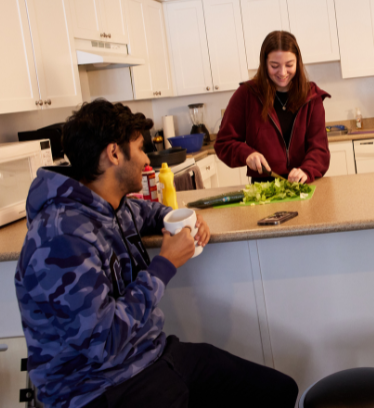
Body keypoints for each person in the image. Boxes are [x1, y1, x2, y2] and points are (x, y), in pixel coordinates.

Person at [15, 100, 298, 408]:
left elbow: (145, 211)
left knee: (279, 390)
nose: (146, 160)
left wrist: (178, 218)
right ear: (113, 154)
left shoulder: (107, 203)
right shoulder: (61, 235)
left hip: (147, 357)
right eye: (140, 149)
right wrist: (164, 265)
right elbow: (103, 341)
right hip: (98, 390)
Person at [215, 30, 330, 183]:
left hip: (304, 184)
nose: (282, 73)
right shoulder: (247, 94)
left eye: (289, 65)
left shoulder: (312, 96)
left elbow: (320, 150)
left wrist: (306, 170)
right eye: (274, 65)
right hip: (264, 188)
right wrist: (246, 154)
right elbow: (224, 143)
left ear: (298, 62)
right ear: (264, 64)